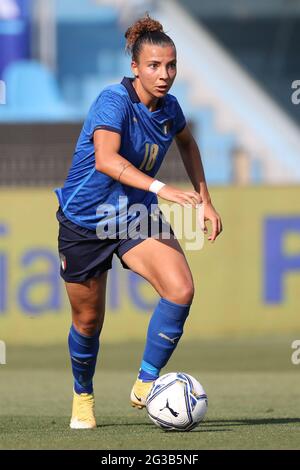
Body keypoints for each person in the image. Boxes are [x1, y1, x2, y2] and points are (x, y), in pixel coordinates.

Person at [55, 14, 222, 429]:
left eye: (170, 65)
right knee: (88, 322)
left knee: (180, 289)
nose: (164, 75)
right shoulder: (113, 100)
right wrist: (163, 189)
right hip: (85, 221)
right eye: (153, 65)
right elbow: (106, 160)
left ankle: (146, 384)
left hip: (133, 216)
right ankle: (83, 396)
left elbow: (188, 143)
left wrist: (205, 201)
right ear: (135, 67)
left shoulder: (170, 108)